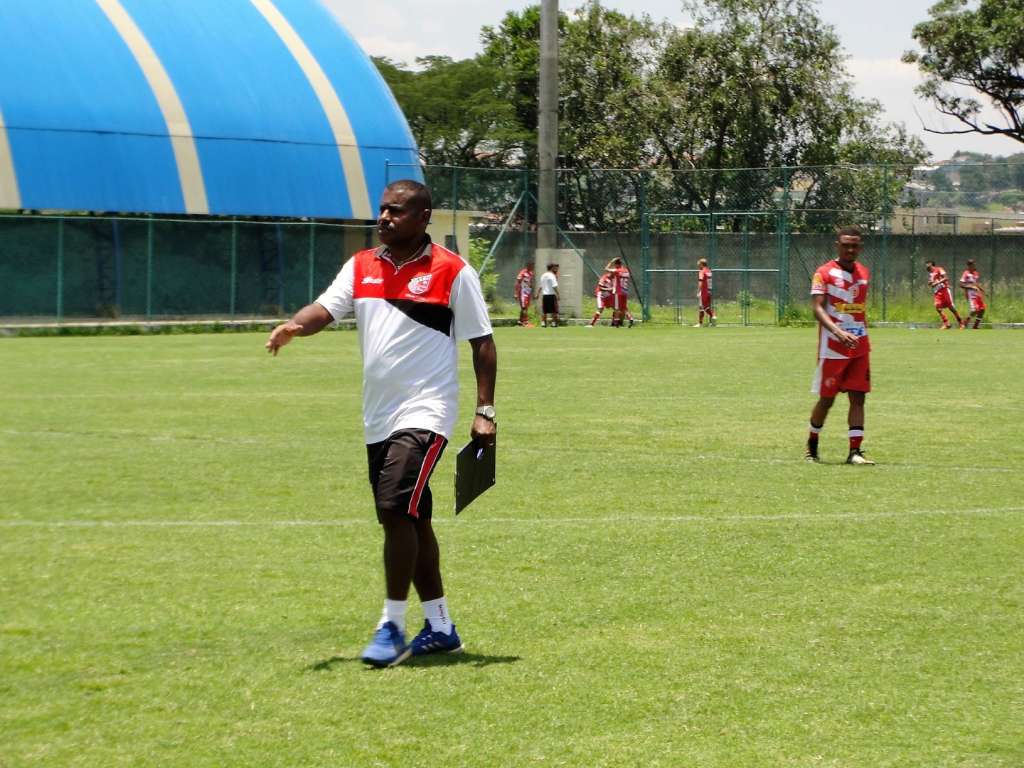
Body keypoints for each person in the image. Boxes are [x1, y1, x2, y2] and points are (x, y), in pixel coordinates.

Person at [265, 180, 497, 668]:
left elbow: (482, 342)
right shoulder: (362, 266)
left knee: (393, 508)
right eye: (383, 209)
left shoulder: (452, 272)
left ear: (423, 217)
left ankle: (391, 625)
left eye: (397, 211)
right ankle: (440, 626)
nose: (385, 217)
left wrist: (484, 411)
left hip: (426, 411)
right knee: (413, 517)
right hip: (378, 416)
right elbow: (326, 308)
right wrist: (295, 326)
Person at [805, 226, 875, 465]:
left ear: (860, 247)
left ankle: (855, 452)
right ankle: (811, 447)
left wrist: (857, 333)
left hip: (859, 346)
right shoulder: (823, 272)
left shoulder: (864, 272)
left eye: (855, 245)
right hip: (833, 348)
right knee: (827, 399)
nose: (850, 249)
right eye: (846, 245)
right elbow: (817, 308)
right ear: (838, 245)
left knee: (859, 398)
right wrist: (837, 331)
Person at [924, 260, 964, 329]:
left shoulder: (939, 269)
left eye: (927, 264)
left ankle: (961, 323)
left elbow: (946, 278)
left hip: (944, 290)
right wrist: (930, 283)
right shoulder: (930, 274)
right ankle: (946, 323)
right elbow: (932, 284)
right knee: (937, 307)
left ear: (931, 264)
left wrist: (937, 283)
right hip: (937, 292)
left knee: (951, 308)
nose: (926, 266)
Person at [605, 258, 635, 328]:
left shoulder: (617, 270)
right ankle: (630, 318)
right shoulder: (626, 271)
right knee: (624, 308)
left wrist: (611, 261)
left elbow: (606, 269)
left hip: (618, 291)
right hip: (625, 291)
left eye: (615, 264)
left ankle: (616, 323)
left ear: (616, 264)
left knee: (616, 308)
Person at [959, 259, 986, 329]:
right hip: (970, 295)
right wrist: (971, 287)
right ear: (969, 266)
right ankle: (964, 323)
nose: (974, 266)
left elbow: (975, 283)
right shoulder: (966, 273)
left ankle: (975, 326)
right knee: (974, 310)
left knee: (982, 309)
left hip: (977, 294)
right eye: (973, 264)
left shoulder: (976, 273)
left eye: (974, 264)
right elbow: (961, 285)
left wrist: (982, 290)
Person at [693, 258, 716, 327]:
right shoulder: (709, 271)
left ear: (702, 264)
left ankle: (713, 316)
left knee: (704, 307)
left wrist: (698, 291)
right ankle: (703, 323)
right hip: (709, 290)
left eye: (699, 264)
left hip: (704, 291)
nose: (698, 266)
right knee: (702, 307)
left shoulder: (702, 271)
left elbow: (700, 282)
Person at [513, 261, 534, 327]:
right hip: (522, 292)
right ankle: (526, 322)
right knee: (524, 307)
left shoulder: (531, 273)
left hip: (528, 292)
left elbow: (529, 283)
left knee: (525, 307)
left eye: (533, 266)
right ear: (528, 265)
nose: (533, 267)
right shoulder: (523, 272)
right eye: (531, 265)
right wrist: (516, 293)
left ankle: (520, 321)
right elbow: (518, 282)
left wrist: (531, 287)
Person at [539, 263, 560, 327]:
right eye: (554, 267)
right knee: (554, 310)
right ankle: (553, 323)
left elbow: (541, 286)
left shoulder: (543, 275)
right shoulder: (552, 275)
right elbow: (554, 286)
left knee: (544, 310)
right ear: (552, 268)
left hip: (544, 295)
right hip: (551, 294)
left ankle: (543, 323)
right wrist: (558, 294)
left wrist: (538, 293)